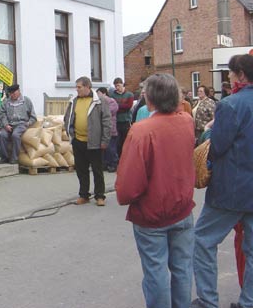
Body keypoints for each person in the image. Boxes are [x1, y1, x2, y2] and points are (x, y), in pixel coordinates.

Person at [116, 74, 195, 308]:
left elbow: (128, 184)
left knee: (156, 271)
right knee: (182, 268)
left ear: (150, 99)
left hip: (152, 214)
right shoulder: (186, 121)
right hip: (182, 207)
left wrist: (126, 197)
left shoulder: (142, 131)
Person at [192, 54, 253, 308]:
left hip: (231, 189)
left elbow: (217, 147)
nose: (228, 77)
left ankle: (208, 301)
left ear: (240, 75)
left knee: (203, 240)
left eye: (230, 73)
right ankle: (249, 301)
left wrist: (208, 130)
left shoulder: (230, 105)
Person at [64, 77, 111, 206]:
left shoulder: (99, 101)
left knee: (97, 170)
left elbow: (107, 122)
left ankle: (100, 196)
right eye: (77, 87)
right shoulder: (74, 101)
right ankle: (84, 195)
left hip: (94, 142)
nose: (76, 89)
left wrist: (105, 140)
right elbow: (67, 118)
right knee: (81, 170)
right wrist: (71, 134)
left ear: (87, 87)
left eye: (79, 87)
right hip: (78, 141)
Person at [0, 84, 36, 164]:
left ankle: (14, 158)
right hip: (9, 124)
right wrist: (6, 125)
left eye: (14, 93)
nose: (12, 95)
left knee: (15, 135)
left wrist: (28, 123)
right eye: (10, 94)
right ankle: (4, 157)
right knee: (2, 135)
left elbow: (33, 116)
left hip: (21, 124)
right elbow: (2, 114)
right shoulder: (6, 102)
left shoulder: (26, 101)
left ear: (18, 91)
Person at [96, 87, 118, 173]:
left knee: (111, 148)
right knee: (103, 148)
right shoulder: (98, 102)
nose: (98, 95)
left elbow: (108, 112)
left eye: (99, 93)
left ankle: (113, 164)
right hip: (101, 129)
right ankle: (105, 164)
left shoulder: (111, 101)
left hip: (111, 129)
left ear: (104, 93)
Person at [111, 77, 133, 157]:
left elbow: (128, 106)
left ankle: (126, 156)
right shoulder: (112, 95)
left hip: (126, 120)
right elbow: (112, 107)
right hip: (116, 121)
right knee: (118, 141)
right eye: (116, 86)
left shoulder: (129, 94)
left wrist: (117, 106)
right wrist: (120, 107)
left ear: (122, 84)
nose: (117, 88)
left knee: (125, 140)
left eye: (118, 86)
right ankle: (119, 157)